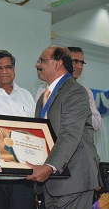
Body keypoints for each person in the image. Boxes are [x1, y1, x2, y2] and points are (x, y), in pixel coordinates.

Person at [26, 45, 100, 209]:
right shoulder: (43, 98)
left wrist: (49, 167)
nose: (37, 65)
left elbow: (70, 135)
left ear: (58, 63)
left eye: (42, 60)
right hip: (52, 183)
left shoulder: (75, 91)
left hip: (73, 181)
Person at [0, 50, 36, 209]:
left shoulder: (26, 95)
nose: (5, 71)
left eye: (8, 67)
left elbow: (35, 130)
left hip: (24, 176)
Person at [35, 46, 101, 132]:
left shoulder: (83, 92)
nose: (79, 67)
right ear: (62, 62)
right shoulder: (44, 90)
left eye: (81, 63)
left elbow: (97, 123)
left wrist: (78, 115)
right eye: (75, 61)